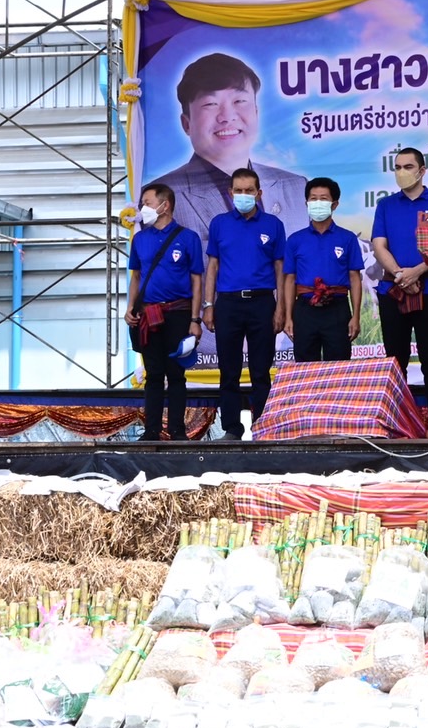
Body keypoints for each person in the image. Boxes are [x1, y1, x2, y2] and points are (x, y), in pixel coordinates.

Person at [153, 53, 307, 243]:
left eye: (239, 101)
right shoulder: (160, 198)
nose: (227, 116)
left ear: (256, 113)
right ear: (187, 123)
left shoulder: (296, 187)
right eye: (211, 104)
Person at [202, 167, 284, 440]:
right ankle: (232, 429)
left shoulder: (273, 224)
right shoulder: (219, 223)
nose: (244, 195)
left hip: (262, 302)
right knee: (229, 371)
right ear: (230, 193)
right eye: (238, 190)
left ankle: (262, 427)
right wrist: (208, 305)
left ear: (259, 193)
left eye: (250, 191)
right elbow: (212, 266)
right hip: (227, 304)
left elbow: (280, 269)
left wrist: (281, 307)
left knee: (261, 370)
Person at [372, 147, 428, 429]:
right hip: (393, 291)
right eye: (397, 167)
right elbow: (379, 245)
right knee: (395, 360)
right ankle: (397, 422)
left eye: (408, 167)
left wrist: (417, 272)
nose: (401, 172)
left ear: (422, 170)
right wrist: (400, 274)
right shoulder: (386, 205)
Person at [124, 182, 204, 441]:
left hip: (179, 314)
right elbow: (136, 277)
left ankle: (178, 431)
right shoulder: (140, 239)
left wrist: (195, 319)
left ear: (164, 205)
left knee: (176, 375)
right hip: (148, 315)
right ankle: (151, 432)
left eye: (146, 203)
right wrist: (129, 308)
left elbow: (196, 281)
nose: (142, 209)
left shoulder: (188, 237)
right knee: (154, 374)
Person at [283, 178, 363, 362]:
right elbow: (289, 280)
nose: (318, 203)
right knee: (305, 367)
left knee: (338, 366)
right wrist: (289, 317)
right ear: (306, 203)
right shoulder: (295, 240)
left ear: (334, 204)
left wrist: (356, 316)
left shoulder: (348, 238)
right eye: (313, 199)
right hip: (305, 309)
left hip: (337, 309)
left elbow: (355, 278)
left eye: (323, 199)